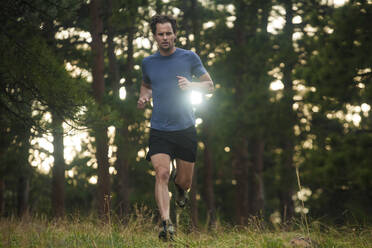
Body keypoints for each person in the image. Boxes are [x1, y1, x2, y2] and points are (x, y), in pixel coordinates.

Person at [137, 14, 214, 241]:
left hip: (185, 128)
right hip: (159, 128)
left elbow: (210, 86)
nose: (164, 38)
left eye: (168, 33)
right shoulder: (148, 62)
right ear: (154, 36)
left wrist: (191, 85)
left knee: (184, 180)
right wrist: (143, 98)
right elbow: (146, 85)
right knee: (162, 173)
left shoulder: (189, 57)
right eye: (160, 34)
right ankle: (166, 223)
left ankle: (181, 189)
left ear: (175, 34)